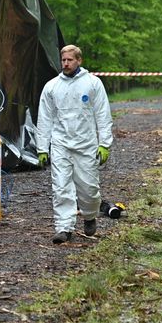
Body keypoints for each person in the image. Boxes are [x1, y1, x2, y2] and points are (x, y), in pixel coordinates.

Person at [36, 45, 113, 244]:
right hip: (61, 144)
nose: (66, 63)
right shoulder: (52, 87)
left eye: (70, 60)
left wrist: (104, 144)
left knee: (89, 189)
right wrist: (42, 147)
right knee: (61, 187)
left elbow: (103, 115)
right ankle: (64, 227)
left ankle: (89, 215)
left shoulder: (93, 83)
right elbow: (45, 118)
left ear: (79, 60)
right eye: (63, 60)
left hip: (86, 144)